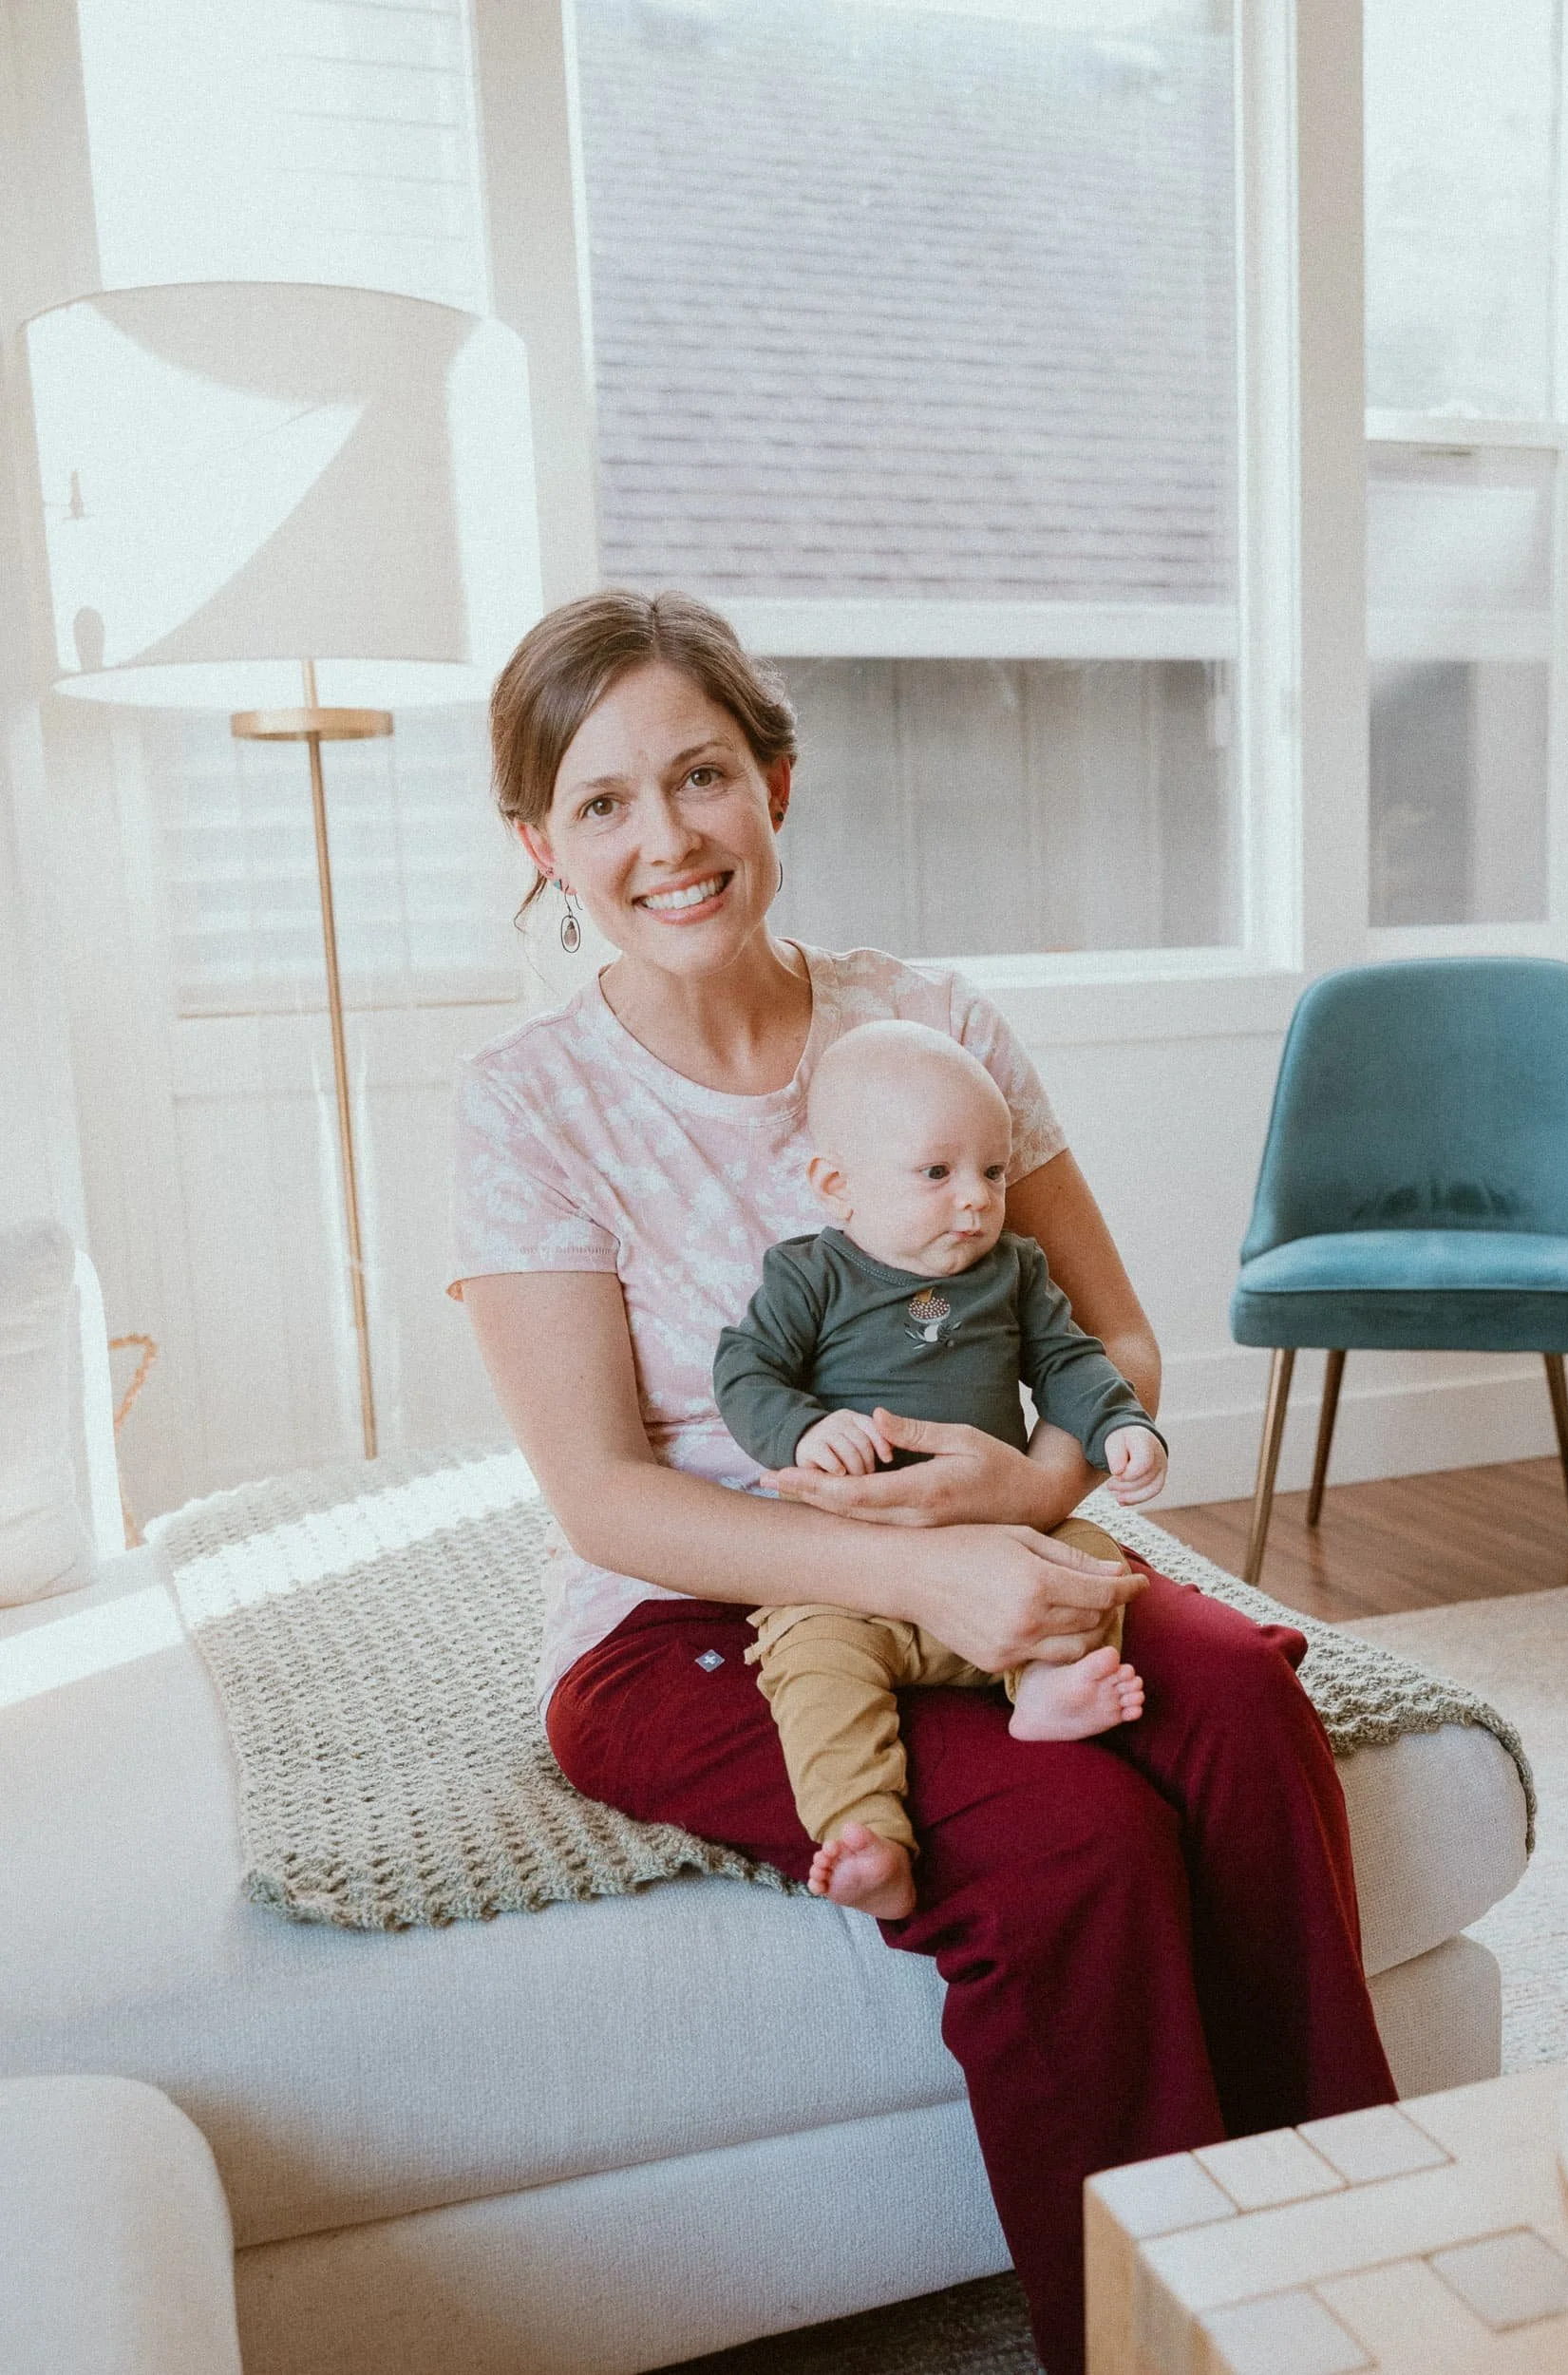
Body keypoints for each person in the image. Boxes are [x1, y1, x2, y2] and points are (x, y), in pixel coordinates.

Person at [449, 588, 1396, 2375]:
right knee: (1077, 1844)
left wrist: (1026, 1498)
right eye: (602, 803)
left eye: (702, 775)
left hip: (991, 1544)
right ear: (539, 845)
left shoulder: (930, 1020)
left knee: (1248, 1713)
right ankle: (1160, 2347)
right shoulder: (529, 1106)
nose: (666, 839)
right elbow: (601, 1497)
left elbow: (1115, 1335)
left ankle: (1344, 2271)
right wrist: (929, 1583)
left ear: (777, 785)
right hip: (687, 1624)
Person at [712, 1018, 1165, 1918]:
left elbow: (1072, 1361)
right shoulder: (811, 1278)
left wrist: (1120, 1423)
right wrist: (803, 1431)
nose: (975, 1200)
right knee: (807, 1661)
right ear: (836, 1185)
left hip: (1004, 1548)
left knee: (1093, 1559)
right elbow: (744, 1372)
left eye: (992, 1172)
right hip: (854, 1573)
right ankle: (867, 1836)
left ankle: (1043, 1688)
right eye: (936, 1173)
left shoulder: (1014, 1271)